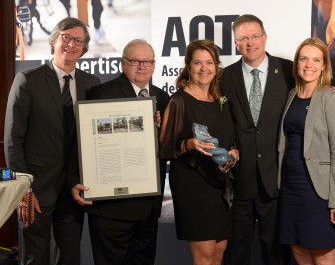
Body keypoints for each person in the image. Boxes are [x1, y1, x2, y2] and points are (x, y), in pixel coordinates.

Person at [4, 17, 100, 265]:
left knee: (69, 257)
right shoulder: (28, 80)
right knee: (36, 257)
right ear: (54, 40)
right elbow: (13, 140)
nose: (72, 44)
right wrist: (24, 189)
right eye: (66, 37)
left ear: (84, 47)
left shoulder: (92, 84)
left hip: (74, 190)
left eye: (78, 40)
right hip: (36, 190)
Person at [70, 38, 169, 265]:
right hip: (111, 208)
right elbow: (81, 142)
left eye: (148, 61)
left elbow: (167, 146)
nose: (142, 66)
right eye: (135, 61)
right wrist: (75, 179)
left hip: (148, 206)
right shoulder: (101, 93)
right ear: (123, 64)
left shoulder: (163, 98)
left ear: (154, 65)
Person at [220, 14, 294, 265]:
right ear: (235, 43)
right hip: (239, 181)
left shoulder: (288, 70)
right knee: (236, 254)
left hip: (276, 179)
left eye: (254, 36)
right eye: (243, 38)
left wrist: (333, 90)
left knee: (274, 254)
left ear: (265, 38)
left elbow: (311, 96)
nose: (250, 43)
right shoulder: (223, 77)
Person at [159, 39, 239, 265]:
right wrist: (190, 144)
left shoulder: (220, 100)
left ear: (216, 66)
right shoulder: (179, 101)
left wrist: (234, 152)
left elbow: (229, 140)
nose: (204, 68)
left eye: (209, 62)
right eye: (197, 63)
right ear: (188, 67)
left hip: (220, 183)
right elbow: (165, 148)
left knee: (219, 251)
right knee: (204, 257)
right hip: (192, 186)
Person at [277, 37, 335, 264]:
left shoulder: (330, 97)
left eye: (316, 60)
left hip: (318, 191)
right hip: (290, 188)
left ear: (324, 65)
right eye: (304, 59)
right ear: (297, 63)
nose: (309, 65)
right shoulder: (291, 96)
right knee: (298, 250)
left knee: (323, 254)